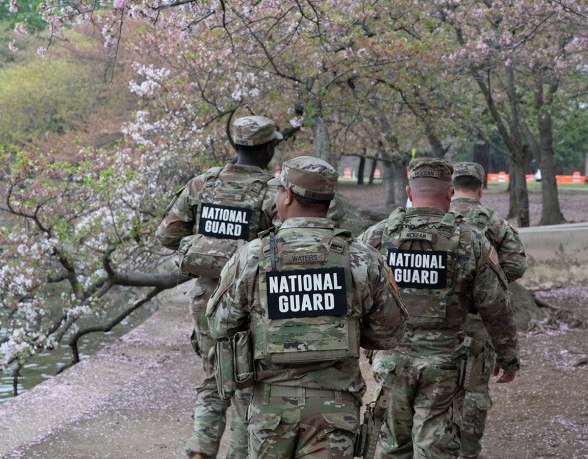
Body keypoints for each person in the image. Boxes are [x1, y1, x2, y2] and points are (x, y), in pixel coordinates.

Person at [207, 156, 408, 458]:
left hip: (271, 410)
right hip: (336, 410)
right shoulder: (362, 257)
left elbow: (220, 325)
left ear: (287, 195)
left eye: (279, 190)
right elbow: (389, 333)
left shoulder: (252, 256)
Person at [359, 158, 521, 459]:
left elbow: (355, 296)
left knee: (392, 446)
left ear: (409, 192)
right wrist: (507, 356)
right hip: (443, 364)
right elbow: (496, 306)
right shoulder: (470, 240)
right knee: (435, 448)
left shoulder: (376, 237)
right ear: (449, 193)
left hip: (390, 361)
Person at [155, 115, 283, 459]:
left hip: (207, 299)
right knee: (247, 385)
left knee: (213, 377)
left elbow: (167, 235)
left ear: (236, 145)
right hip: (253, 304)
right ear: (268, 149)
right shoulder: (273, 192)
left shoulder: (202, 184)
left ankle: (201, 448)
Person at [449, 162, 528, 459]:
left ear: (451, 188)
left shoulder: (437, 215)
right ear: (480, 188)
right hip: (477, 322)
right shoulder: (492, 221)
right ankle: (468, 452)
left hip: (436, 320)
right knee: (473, 390)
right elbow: (517, 265)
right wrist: (487, 281)